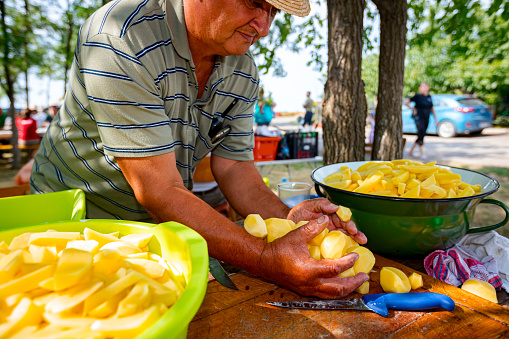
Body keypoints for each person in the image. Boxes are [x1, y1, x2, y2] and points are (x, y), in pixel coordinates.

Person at [29, 0, 368, 299]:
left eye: (273, 11)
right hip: (70, 230)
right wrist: (264, 258)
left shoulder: (243, 70)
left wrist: (289, 222)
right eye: (253, 3)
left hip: (155, 234)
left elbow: (235, 169)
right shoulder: (120, 37)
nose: (264, 28)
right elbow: (159, 189)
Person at [404, 82, 438, 159]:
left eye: (425, 86)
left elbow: (432, 108)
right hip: (419, 118)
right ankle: (422, 153)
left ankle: (411, 151)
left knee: (422, 134)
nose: (423, 88)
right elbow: (406, 102)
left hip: (427, 118)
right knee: (421, 133)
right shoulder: (417, 96)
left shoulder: (429, 97)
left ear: (428, 88)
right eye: (422, 86)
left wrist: (436, 119)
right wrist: (413, 109)